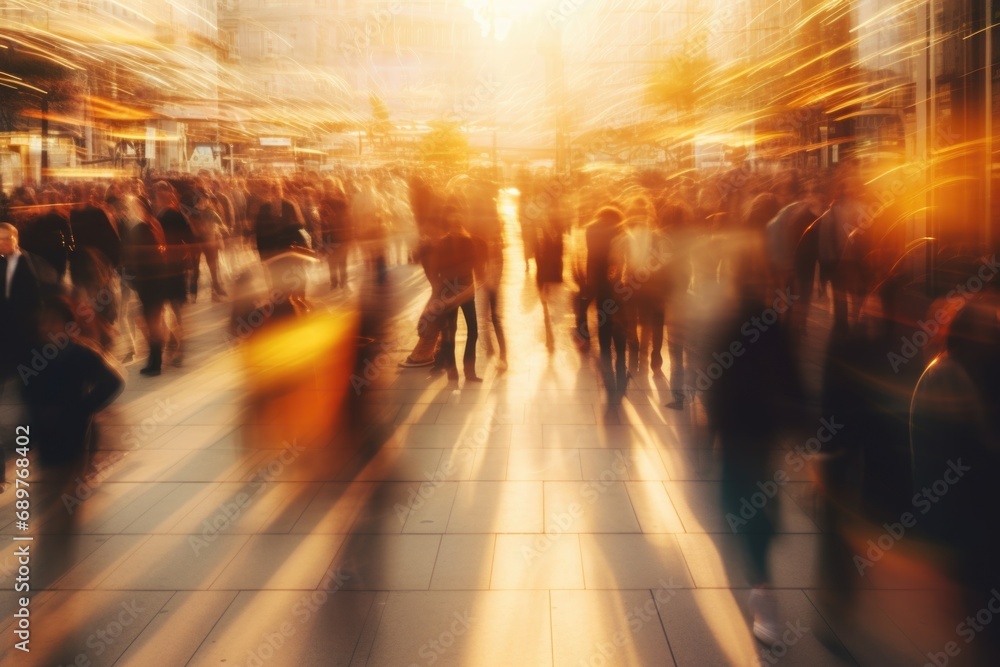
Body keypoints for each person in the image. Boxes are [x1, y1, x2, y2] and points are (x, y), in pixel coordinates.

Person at [433, 203, 481, 383]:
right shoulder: (468, 241)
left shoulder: (442, 242)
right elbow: (474, 266)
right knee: (473, 331)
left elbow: (436, 270)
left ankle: (452, 373)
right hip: (466, 292)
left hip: (448, 293)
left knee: (450, 333)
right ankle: (469, 372)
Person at [586, 207, 628, 407]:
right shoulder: (620, 231)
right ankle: (621, 370)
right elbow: (621, 262)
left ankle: (607, 375)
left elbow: (590, 260)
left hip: (601, 287)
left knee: (603, 328)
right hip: (619, 288)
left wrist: (591, 284)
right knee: (619, 330)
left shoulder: (591, 230)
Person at [153, 181, 195, 368]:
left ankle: (179, 344)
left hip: (172, 266)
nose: (160, 198)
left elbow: (188, 239)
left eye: (163, 194)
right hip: (167, 266)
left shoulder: (173, 215)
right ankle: (173, 340)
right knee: (169, 306)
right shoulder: (159, 215)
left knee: (173, 307)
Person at [0, 223, 43, 383]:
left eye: (6, 238)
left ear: (15, 240)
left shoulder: (26, 261)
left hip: (22, 321)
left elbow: (34, 294)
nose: (1, 242)